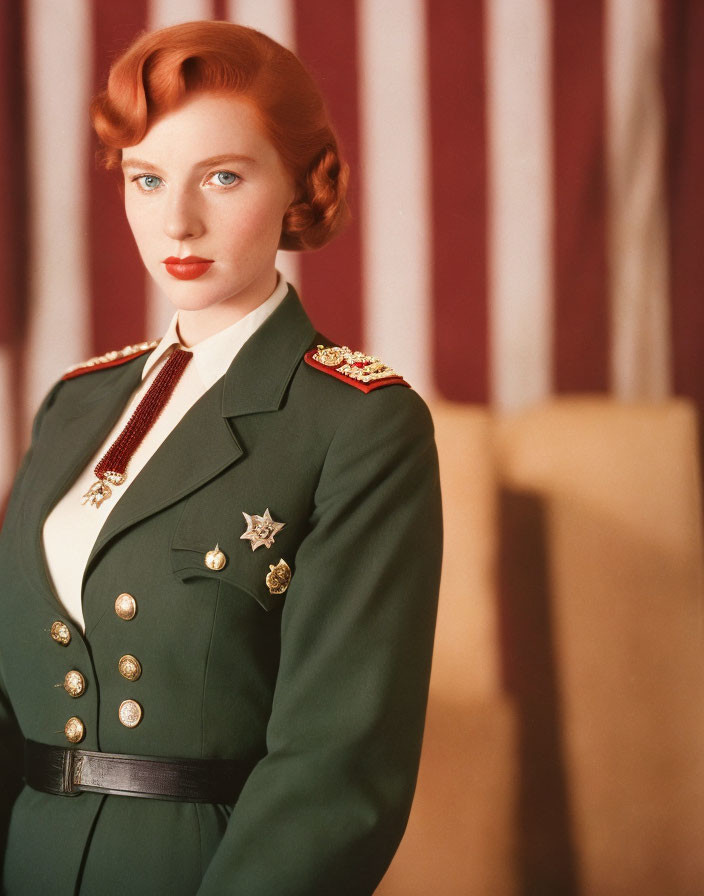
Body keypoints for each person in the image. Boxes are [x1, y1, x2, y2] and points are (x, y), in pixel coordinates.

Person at [0, 20, 443, 896]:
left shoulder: (358, 425)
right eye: (147, 178)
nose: (178, 220)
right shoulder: (75, 403)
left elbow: (339, 768)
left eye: (223, 176)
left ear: (298, 184)